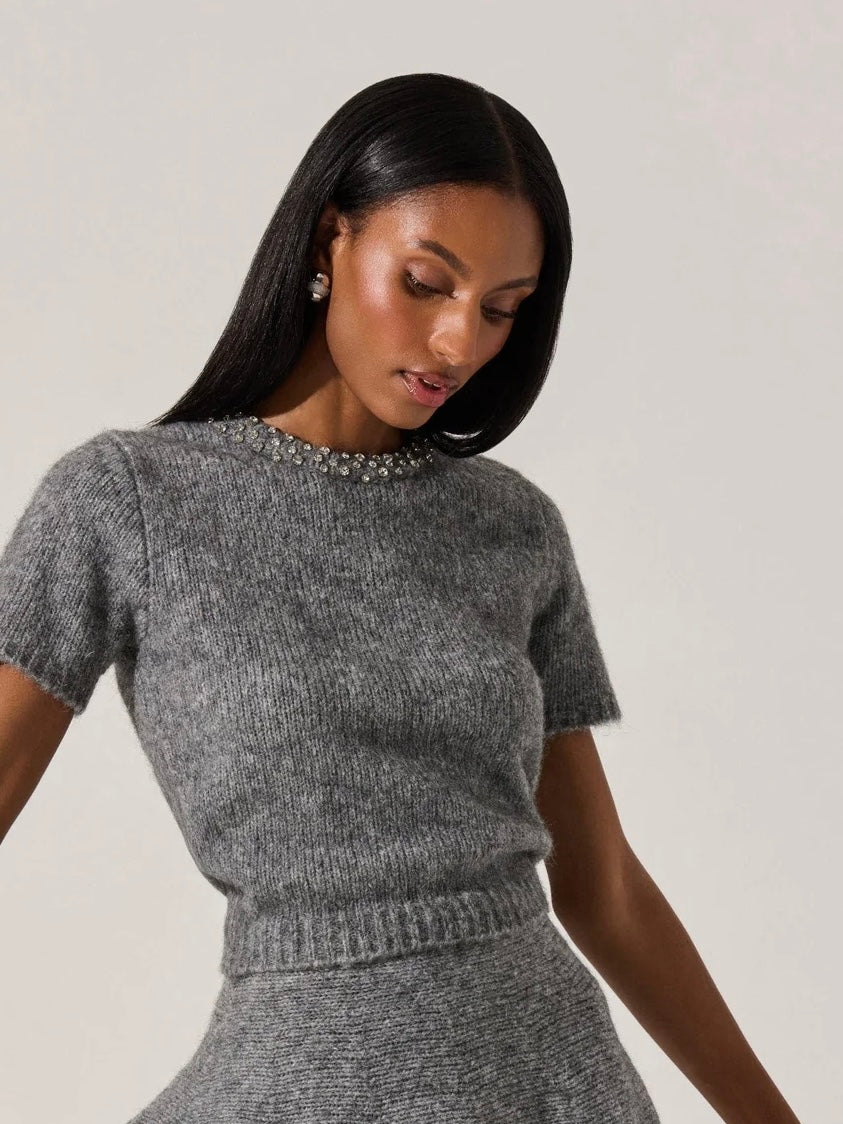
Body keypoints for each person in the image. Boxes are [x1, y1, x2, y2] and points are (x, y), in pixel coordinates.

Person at [0, 73, 801, 1123]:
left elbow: (604, 891)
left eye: (501, 310)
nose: (460, 344)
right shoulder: (126, 503)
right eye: (426, 283)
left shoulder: (511, 525)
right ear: (329, 238)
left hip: (558, 1083)